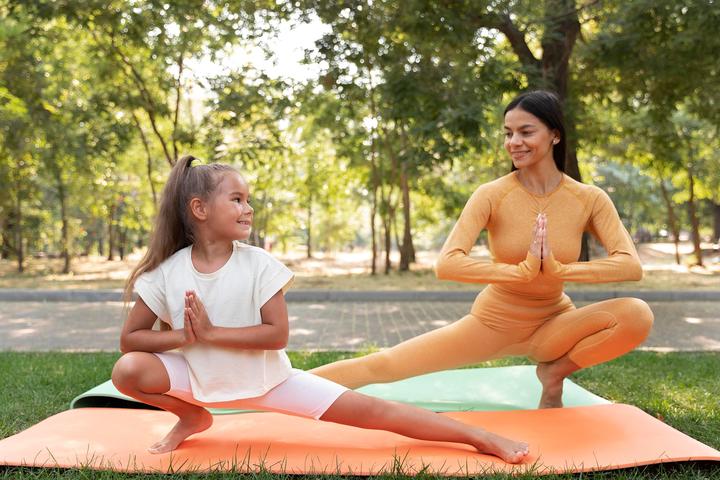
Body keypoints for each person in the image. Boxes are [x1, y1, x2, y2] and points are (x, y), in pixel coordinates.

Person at [111, 155, 529, 463]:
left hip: (267, 380)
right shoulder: (166, 273)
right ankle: (192, 418)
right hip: (197, 377)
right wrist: (185, 337)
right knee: (128, 371)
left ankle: (477, 437)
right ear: (199, 210)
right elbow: (132, 340)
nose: (248, 208)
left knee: (374, 412)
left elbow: (277, 335)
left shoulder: (259, 263)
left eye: (248, 199)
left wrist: (212, 333)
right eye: (236, 199)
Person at [312, 90, 654, 409]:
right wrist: (520, 271)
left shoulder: (589, 198)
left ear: (555, 135)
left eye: (525, 132)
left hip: (553, 324)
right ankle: (274, 391)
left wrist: (559, 270)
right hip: (492, 322)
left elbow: (629, 266)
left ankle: (553, 373)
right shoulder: (492, 193)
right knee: (383, 365)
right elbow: (448, 263)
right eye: (508, 133)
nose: (514, 142)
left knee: (636, 314)